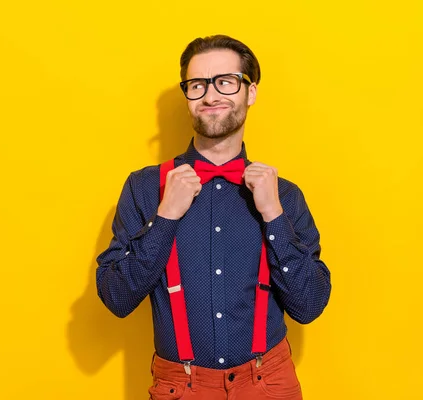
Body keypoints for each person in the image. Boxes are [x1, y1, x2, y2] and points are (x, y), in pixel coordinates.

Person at [95, 34, 331, 400]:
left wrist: (273, 214)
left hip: (269, 382)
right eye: (197, 84)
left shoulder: (284, 195)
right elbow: (116, 298)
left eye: (226, 82)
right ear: (186, 94)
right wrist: (166, 217)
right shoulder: (144, 188)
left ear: (250, 92)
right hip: (180, 387)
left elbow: (309, 305)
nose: (210, 95)